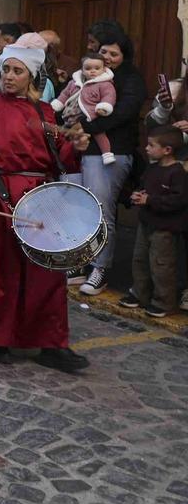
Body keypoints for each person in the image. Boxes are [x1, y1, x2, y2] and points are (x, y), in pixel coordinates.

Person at [0, 43, 91, 371]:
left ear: (31, 76)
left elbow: (60, 158)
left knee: (48, 270)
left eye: (17, 71)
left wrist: (76, 146)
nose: (8, 77)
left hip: (41, 195)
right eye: (5, 70)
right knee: (2, 268)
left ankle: (51, 342)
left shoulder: (44, 112)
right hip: (2, 192)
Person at [70, 27, 146, 295]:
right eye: (104, 52)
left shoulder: (131, 80)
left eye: (114, 53)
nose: (108, 57)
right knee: (82, 211)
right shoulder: (89, 74)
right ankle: (82, 263)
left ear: (124, 55)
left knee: (101, 212)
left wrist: (85, 126)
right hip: (82, 151)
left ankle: (100, 269)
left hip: (112, 154)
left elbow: (123, 114)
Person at [121, 128, 187, 317]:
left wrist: (150, 201)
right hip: (146, 222)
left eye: (151, 145)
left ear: (167, 150)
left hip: (165, 227)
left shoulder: (177, 173)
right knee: (140, 260)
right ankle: (140, 294)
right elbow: (145, 187)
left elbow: (178, 200)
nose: (147, 148)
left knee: (162, 265)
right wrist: (138, 194)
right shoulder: (152, 168)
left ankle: (163, 301)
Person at [52, 53, 118, 164]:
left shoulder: (105, 84)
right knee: (66, 136)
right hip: (70, 116)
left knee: (99, 134)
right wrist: (57, 104)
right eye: (88, 68)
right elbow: (65, 94)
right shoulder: (74, 82)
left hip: (89, 115)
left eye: (97, 68)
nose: (92, 71)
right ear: (82, 70)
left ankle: (106, 153)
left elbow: (109, 96)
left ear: (104, 69)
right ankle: (64, 159)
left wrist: (104, 107)